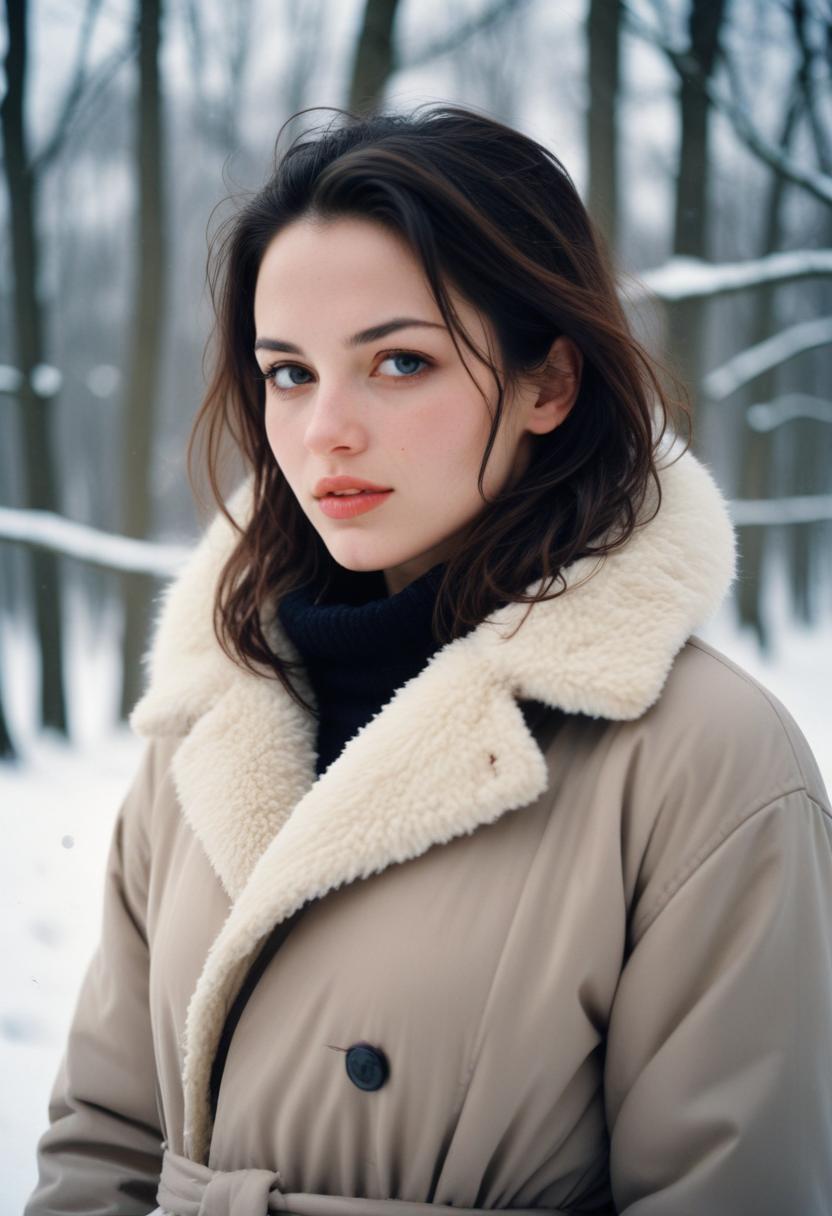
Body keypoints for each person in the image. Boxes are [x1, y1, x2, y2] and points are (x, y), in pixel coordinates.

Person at [26, 103, 832, 1216]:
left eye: (399, 362)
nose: (325, 430)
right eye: (288, 372)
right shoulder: (209, 718)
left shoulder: (705, 762)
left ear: (549, 384)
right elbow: (104, 1138)